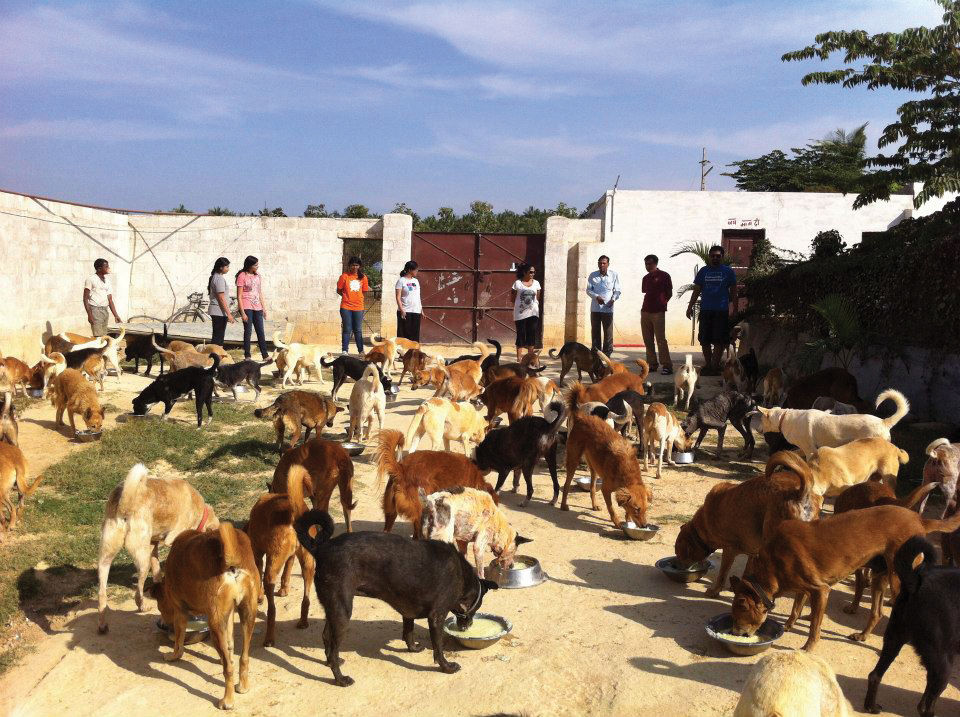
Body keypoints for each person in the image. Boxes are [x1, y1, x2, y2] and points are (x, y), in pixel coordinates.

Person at [686, 245, 738, 375]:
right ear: (709, 257)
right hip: (706, 310)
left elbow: (734, 291)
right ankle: (708, 365)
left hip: (721, 311)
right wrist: (690, 306)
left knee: (719, 340)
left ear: (722, 257)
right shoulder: (703, 271)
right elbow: (696, 290)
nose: (715, 258)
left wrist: (735, 309)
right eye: (713, 256)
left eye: (718, 256)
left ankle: (715, 367)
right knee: (704, 340)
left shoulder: (728, 272)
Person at [641, 254, 674, 375]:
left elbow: (669, 292)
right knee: (648, 340)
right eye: (646, 264)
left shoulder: (664, 276)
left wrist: (662, 303)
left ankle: (667, 365)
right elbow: (646, 292)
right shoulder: (645, 278)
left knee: (660, 340)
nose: (647, 266)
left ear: (656, 263)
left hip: (658, 313)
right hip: (645, 311)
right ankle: (652, 364)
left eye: (649, 263)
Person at [236, 255, 270, 360]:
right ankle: (247, 355)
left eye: (257, 264)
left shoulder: (258, 276)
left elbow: (260, 292)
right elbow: (239, 296)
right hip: (246, 305)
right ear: (250, 265)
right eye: (255, 265)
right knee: (248, 331)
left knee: (260, 330)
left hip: (257, 306)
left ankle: (265, 355)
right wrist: (242, 313)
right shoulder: (242, 276)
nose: (257, 266)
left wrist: (264, 308)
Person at [586, 255, 620, 356]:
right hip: (595, 309)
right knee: (595, 332)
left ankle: (607, 354)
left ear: (608, 264)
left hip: (608, 309)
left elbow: (617, 290)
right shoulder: (593, 275)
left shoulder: (614, 275)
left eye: (604, 263)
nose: (602, 265)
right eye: (600, 263)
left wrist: (613, 299)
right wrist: (596, 297)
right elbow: (588, 290)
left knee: (608, 333)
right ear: (598, 264)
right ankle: (596, 354)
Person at [337, 256, 370, 354]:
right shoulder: (344, 276)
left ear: (359, 266)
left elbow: (364, 291)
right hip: (346, 307)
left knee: (358, 330)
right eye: (353, 265)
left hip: (358, 307)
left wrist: (357, 298)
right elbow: (339, 290)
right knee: (347, 329)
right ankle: (344, 350)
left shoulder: (363, 277)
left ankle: (361, 351)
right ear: (349, 266)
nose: (355, 267)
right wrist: (346, 297)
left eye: (357, 265)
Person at [83, 258, 123, 337]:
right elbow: (85, 298)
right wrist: (89, 315)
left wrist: (116, 315)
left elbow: (110, 300)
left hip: (105, 311)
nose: (108, 268)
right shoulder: (91, 279)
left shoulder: (107, 281)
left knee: (104, 336)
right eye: (106, 266)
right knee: (98, 336)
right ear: (99, 269)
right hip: (95, 311)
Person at [511, 263, 541, 361]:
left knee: (531, 334)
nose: (533, 274)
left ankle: (530, 358)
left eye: (534, 272)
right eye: (531, 272)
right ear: (524, 272)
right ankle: (519, 358)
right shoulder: (517, 284)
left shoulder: (536, 283)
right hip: (520, 314)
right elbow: (512, 298)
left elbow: (538, 298)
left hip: (533, 313)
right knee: (521, 334)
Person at [207, 257, 235, 347]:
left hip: (218, 311)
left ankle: (216, 354)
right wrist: (229, 314)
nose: (228, 269)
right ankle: (215, 354)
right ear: (220, 267)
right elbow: (221, 298)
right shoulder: (219, 279)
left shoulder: (216, 277)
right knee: (218, 339)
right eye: (227, 267)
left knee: (218, 337)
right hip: (219, 311)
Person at [395, 260, 422, 342]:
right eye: (415, 269)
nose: (417, 271)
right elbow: (398, 297)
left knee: (414, 336)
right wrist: (402, 310)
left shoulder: (416, 281)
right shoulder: (401, 281)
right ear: (410, 270)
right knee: (404, 335)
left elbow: (418, 296)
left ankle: (413, 350)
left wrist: (421, 309)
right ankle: (403, 351)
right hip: (405, 311)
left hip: (416, 311)